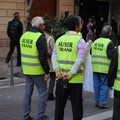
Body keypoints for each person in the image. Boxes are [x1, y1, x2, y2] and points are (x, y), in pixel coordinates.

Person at [52, 15, 91, 120]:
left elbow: (54, 56)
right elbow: (80, 60)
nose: (82, 26)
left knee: (59, 107)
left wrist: (57, 70)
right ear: (77, 26)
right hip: (75, 80)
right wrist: (71, 73)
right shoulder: (80, 41)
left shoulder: (59, 39)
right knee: (76, 107)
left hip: (60, 79)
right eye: (81, 24)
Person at [20, 16, 50, 120]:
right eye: (44, 24)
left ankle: (25, 116)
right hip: (37, 70)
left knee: (27, 92)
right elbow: (43, 57)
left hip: (26, 69)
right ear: (40, 25)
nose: (44, 26)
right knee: (42, 92)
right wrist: (47, 71)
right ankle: (41, 117)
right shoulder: (40, 37)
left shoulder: (24, 35)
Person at [91, 25, 115, 109]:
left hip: (95, 68)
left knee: (96, 85)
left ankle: (97, 102)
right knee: (104, 85)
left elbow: (91, 52)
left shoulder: (96, 41)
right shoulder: (109, 42)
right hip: (104, 68)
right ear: (109, 33)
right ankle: (102, 103)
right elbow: (110, 55)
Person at [108, 45, 120, 120]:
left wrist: (110, 83)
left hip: (119, 88)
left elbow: (112, 68)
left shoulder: (118, 49)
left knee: (117, 113)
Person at [44, 24, 56, 101]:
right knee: (52, 77)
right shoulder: (50, 38)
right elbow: (54, 51)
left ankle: (44, 93)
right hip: (50, 60)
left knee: (44, 77)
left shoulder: (41, 36)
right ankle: (50, 93)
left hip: (43, 59)